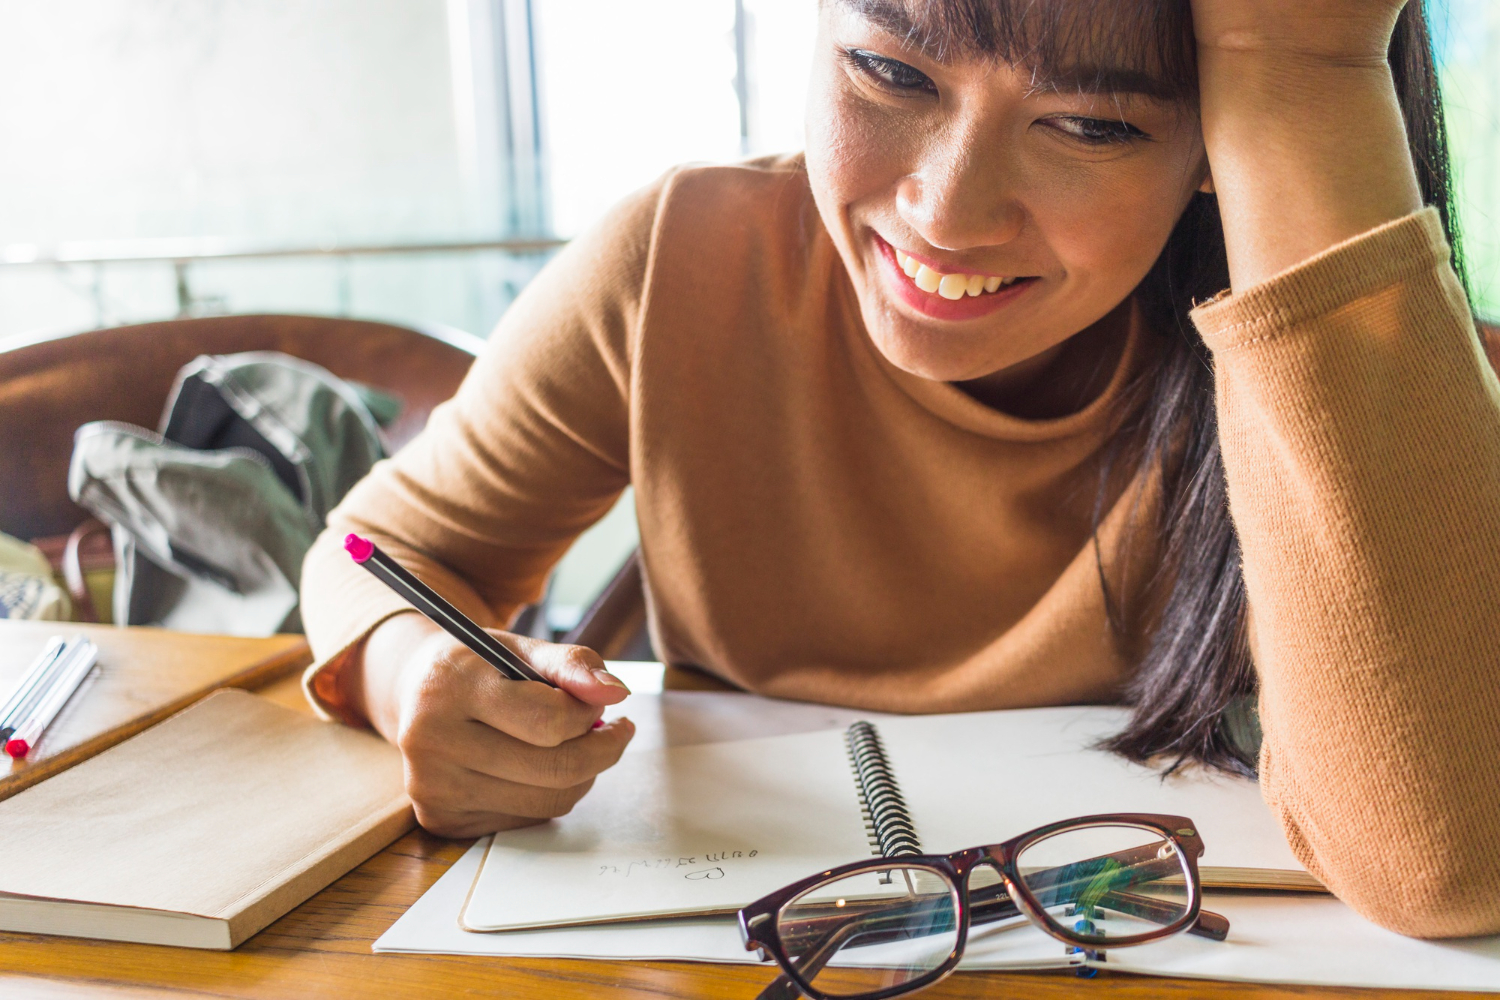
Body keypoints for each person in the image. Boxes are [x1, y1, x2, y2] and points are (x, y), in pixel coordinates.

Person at [299, 0, 1500, 938]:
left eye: (1092, 125)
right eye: (890, 70)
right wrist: (414, 677)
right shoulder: (681, 262)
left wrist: (1308, 71)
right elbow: (378, 555)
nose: (947, 212)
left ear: (1213, 145)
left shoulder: (1369, 367)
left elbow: (1445, 855)